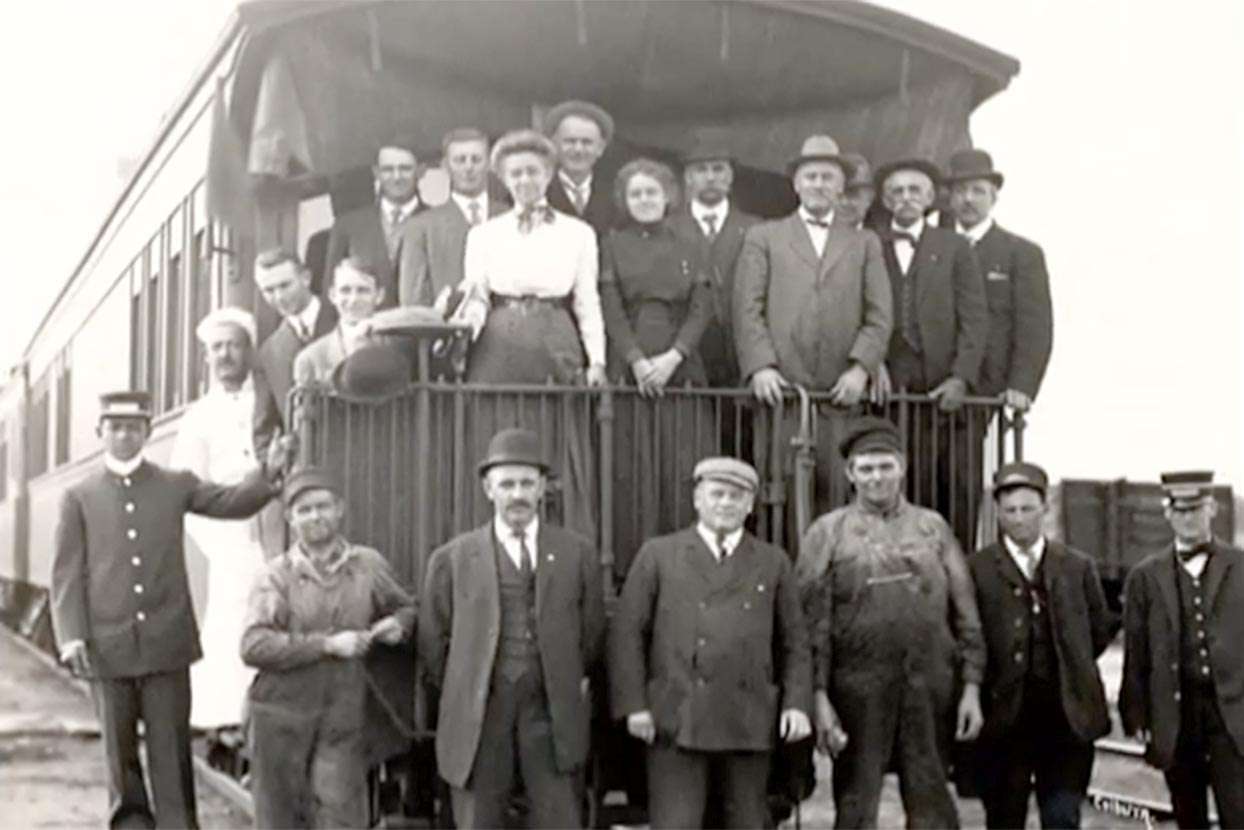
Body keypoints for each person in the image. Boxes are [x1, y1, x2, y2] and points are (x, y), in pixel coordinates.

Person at [50, 391, 287, 829]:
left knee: (171, 754)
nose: (124, 436)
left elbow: (230, 501)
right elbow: (66, 574)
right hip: (109, 647)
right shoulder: (78, 497)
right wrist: (72, 635)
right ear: (100, 432)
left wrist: (267, 472)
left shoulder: (174, 484)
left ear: (148, 431)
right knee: (119, 759)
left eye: (134, 427)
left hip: (167, 648)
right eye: (116, 427)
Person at [795, 416, 985, 829]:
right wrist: (820, 697)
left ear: (903, 466)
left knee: (933, 803)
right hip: (857, 691)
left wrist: (970, 687)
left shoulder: (932, 528)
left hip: (929, 688)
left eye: (885, 466)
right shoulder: (827, 533)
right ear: (849, 473)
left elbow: (966, 615)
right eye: (865, 468)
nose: (876, 477)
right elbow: (812, 628)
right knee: (855, 807)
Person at [610, 456, 812, 828]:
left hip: (749, 722)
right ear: (697, 500)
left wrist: (797, 705)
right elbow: (627, 634)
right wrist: (634, 706)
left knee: (746, 822)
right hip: (676, 720)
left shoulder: (772, 561)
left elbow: (795, 643)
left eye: (736, 496)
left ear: (750, 505)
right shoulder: (659, 555)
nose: (725, 503)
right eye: (716, 494)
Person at [420, 428, 605, 829]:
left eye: (526, 483)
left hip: (551, 712)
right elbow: (434, 646)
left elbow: (590, 635)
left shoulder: (577, 554)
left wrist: (555, 673)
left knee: (559, 818)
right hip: (479, 717)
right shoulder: (453, 559)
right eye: (507, 484)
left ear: (542, 488)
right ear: (489, 489)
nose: (517, 494)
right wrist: (471, 682)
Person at [241, 467, 415, 829]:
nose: (315, 516)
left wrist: (398, 625)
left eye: (323, 506)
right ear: (290, 518)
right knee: (280, 821)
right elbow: (253, 645)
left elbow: (406, 606)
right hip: (280, 717)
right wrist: (327, 645)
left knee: (341, 816)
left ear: (340, 510)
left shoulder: (366, 565)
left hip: (342, 717)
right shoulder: (276, 576)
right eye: (304, 510)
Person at [734, 134, 892, 512]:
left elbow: (879, 314)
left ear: (840, 187)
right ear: (796, 184)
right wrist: (761, 368)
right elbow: (746, 307)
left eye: (827, 177)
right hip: (782, 396)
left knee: (837, 493)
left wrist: (859, 369)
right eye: (811, 177)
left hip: (840, 397)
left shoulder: (864, 242)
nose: (819, 185)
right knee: (778, 495)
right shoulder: (764, 237)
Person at [968, 462, 1115, 829]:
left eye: (1027, 509)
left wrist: (1069, 669)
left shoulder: (1077, 567)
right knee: (1004, 817)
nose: (1018, 519)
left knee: (1063, 816)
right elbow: (967, 636)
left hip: (1065, 721)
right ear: (998, 513)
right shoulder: (978, 569)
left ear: (1045, 508)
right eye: (1010, 511)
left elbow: (1097, 630)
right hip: (1004, 723)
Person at [169, 308, 283, 757]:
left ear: (249, 349)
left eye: (233, 344)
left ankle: (275, 719)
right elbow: (186, 488)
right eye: (216, 348)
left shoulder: (269, 399)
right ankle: (231, 723)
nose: (225, 355)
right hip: (231, 536)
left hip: (276, 524)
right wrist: (222, 546)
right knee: (232, 623)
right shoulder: (199, 416)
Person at [872, 157, 988, 546]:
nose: (906, 198)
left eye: (914, 190)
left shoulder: (955, 247)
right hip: (889, 385)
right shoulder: (870, 241)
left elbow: (975, 318)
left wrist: (961, 377)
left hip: (941, 384)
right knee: (896, 479)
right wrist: (871, 363)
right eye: (898, 191)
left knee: (952, 486)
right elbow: (856, 310)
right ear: (887, 200)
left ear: (930, 199)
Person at [1120, 471, 1244, 829]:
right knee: (1188, 814)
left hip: (1232, 712)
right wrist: (1136, 713)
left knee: (1238, 810)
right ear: (1168, 514)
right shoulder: (1146, 576)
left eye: (1196, 509)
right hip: (1176, 711)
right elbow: (1137, 650)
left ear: (1213, 509)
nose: (1188, 518)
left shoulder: (1240, 567)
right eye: (1180, 510)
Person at [944, 148, 1053, 411]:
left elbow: (1034, 326)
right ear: (949, 198)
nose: (968, 199)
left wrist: (1021, 386)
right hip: (938, 383)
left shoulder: (1021, 253)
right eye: (960, 191)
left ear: (994, 197)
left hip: (990, 388)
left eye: (977, 191)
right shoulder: (934, 247)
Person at [666, 135, 759, 388]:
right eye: (701, 169)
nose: (710, 177)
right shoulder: (667, 228)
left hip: (738, 352)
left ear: (730, 177)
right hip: (686, 351)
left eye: (718, 169)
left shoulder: (755, 230)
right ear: (688, 178)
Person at [399, 127, 507, 309]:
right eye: (460, 160)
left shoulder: (509, 217)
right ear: (445, 166)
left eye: (476, 159)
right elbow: (413, 301)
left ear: (489, 163)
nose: (468, 167)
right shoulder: (422, 226)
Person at [251, 248, 338, 455]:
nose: (279, 297)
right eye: (268, 290)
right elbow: (263, 431)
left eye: (285, 285)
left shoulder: (343, 320)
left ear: (306, 278)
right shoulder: (268, 353)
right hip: (307, 471)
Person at [325, 140, 422, 302]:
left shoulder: (437, 222)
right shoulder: (349, 225)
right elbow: (330, 289)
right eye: (388, 169)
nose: (396, 177)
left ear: (420, 171)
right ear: (376, 173)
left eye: (405, 169)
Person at [294, 256, 388, 385]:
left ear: (379, 295)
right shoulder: (311, 358)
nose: (353, 299)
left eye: (363, 290)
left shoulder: (397, 348)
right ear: (332, 295)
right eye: (345, 290)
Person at [543, 99, 618, 236]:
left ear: (600, 148)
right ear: (554, 144)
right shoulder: (539, 193)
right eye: (570, 141)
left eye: (587, 142)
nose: (578, 149)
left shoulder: (616, 196)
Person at [835, 152, 877, 231]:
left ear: (870, 197)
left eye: (852, 193)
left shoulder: (884, 240)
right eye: (837, 195)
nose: (844, 202)